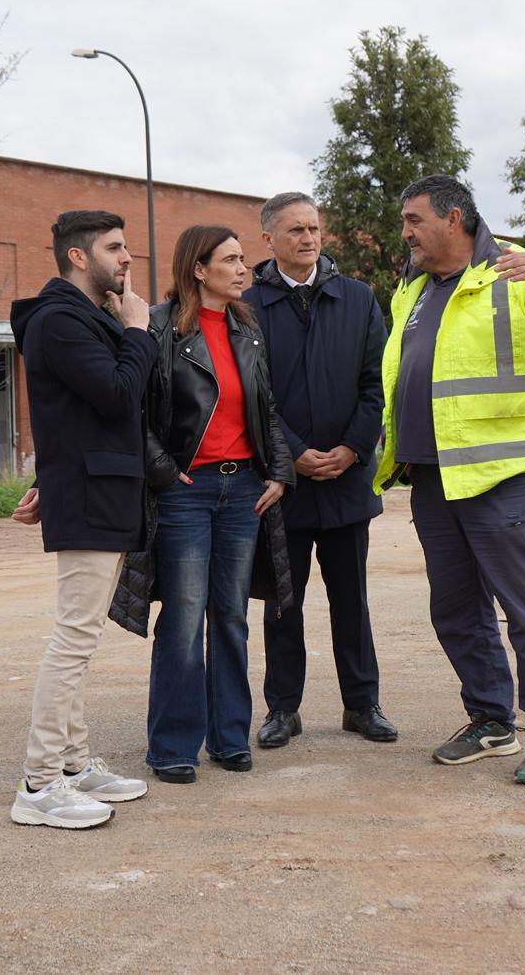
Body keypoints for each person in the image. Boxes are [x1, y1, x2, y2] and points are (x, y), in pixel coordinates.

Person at [373, 175, 525, 785]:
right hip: (434, 476)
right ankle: (491, 720)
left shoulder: (514, 268)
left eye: (414, 220)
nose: (406, 233)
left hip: (509, 475)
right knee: (456, 612)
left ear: (454, 219)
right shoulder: (412, 287)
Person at [5, 210, 155, 828]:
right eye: (114, 248)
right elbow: (118, 395)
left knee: (80, 639)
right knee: (73, 640)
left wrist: (49, 479)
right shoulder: (60, 321)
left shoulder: (85, 318)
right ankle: (39, 784)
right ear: (77, 256)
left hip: (99, 492)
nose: (127, 258)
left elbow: (72, 416)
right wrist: (139, 330)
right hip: (92, 497)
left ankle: (71, 764)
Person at [133, 225, 295, 783]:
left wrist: (280, 471)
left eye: (243, 259)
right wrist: (162, 470)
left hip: (244, 491)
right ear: (198, 269)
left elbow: (266, 409)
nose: (243, 268)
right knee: (183, 619)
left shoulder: (246, 328)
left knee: (231, 616)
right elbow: (134, 412)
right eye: (230, 260)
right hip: (186, 491)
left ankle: (229, 738)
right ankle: (173, 747)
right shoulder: (159, 327)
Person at [241, 192, 395, 748]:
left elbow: (377, 383)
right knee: (283, 604)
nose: (308, 238)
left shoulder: (357, 298)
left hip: (347, 482)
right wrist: (294, 451)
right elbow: (253, 393)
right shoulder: (247, 306)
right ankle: (283, 708)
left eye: (313, 228)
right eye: (295, 230)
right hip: (283, 484)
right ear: (268, 240)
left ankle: (362, 704)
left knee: (352, 600)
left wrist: (353, 448)